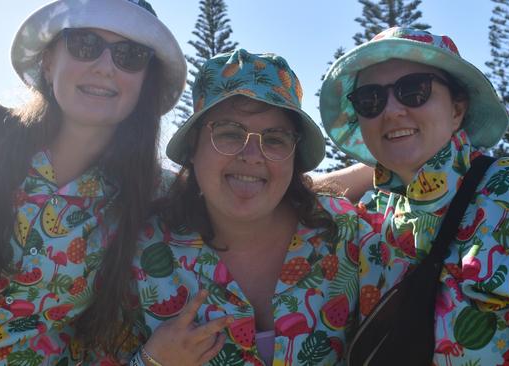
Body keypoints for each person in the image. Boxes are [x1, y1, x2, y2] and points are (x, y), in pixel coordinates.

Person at [0, 0, 186, 364]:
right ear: (48, 61)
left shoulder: (152, 197)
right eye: (85, 44)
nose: (104, 67)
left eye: (130, 55)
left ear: (146, 83)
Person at [320, 26, 509, 365]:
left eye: (414, 90)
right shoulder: (371, 220)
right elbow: (283, 195)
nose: (391, 111)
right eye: (370, 100)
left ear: (458, 109)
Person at [129, 49, 378, 366]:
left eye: (274, 139)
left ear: (294, 154)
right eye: (229, 134)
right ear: (193, 146)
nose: (252, 154)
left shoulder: (346, 235)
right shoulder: (142, 254)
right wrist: (152, 361)